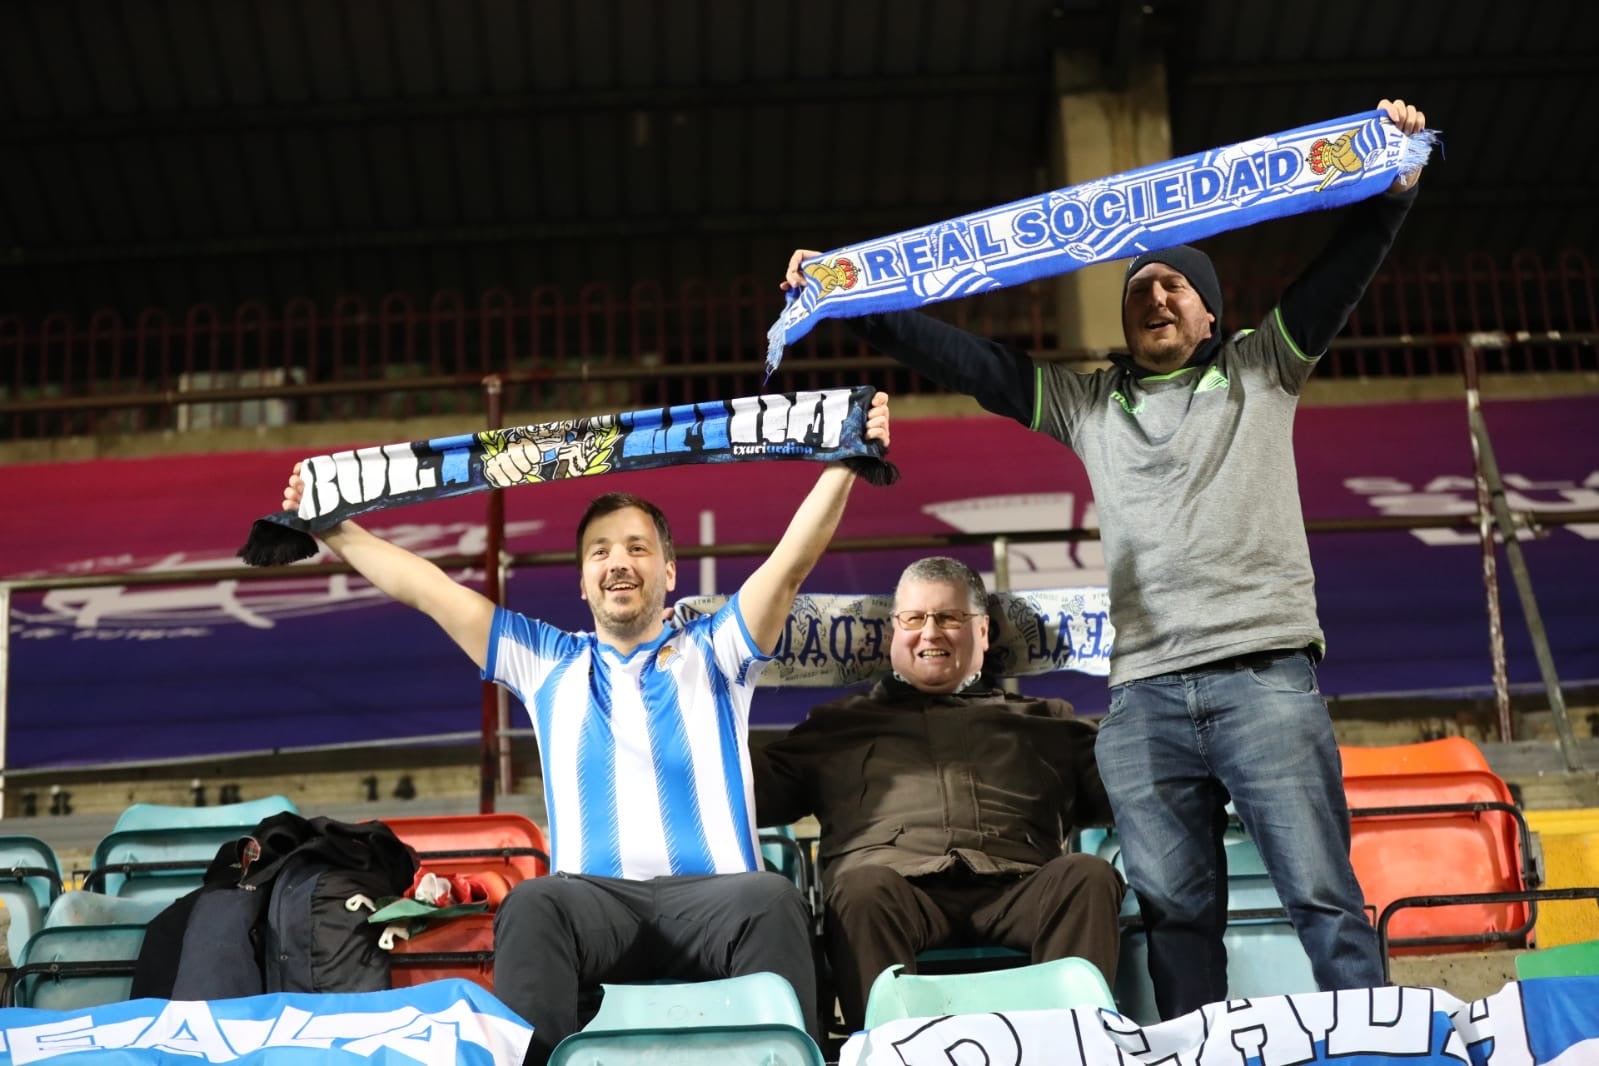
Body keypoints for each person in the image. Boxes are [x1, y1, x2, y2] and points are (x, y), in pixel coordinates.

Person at [781, 100, 1429, 1019]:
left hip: (1263, 682)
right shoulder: (1086, 402)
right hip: (1146, 700)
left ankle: (1377, 1044)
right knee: (1173, 917)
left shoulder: (1261, 367)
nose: (1155, 296)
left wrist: (1391, 187)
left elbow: (1339, 275)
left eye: (1175, 285)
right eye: (1138, 288)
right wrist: (853, 301)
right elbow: (969, 362)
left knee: (1321, 898)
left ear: (1211, 312)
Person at [279, 393, 890, 1064]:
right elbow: (427, 589)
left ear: (668, 570)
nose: (618, 562)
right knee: (533, 904)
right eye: (600, 552)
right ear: (581, 580)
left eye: (636, 547)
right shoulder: (544, 659)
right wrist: (335, 528)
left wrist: (846, 460)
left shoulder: (718, 648)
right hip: (595, 910)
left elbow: (791, 561)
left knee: (773, 899)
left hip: (720, 903)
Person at [751, 556, 1124, 1031]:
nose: (930, 633)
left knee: (1087, 876)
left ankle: (1066, 1046)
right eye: (914, 618)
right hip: (895, 892)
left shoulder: (1046, 721)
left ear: (983, 632)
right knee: (860, 889)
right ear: (893, 633)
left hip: (1020, 887)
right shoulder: (837, 726)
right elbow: (746, 791)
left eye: (950, 617)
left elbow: (1129, 793)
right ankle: (893, 1053)